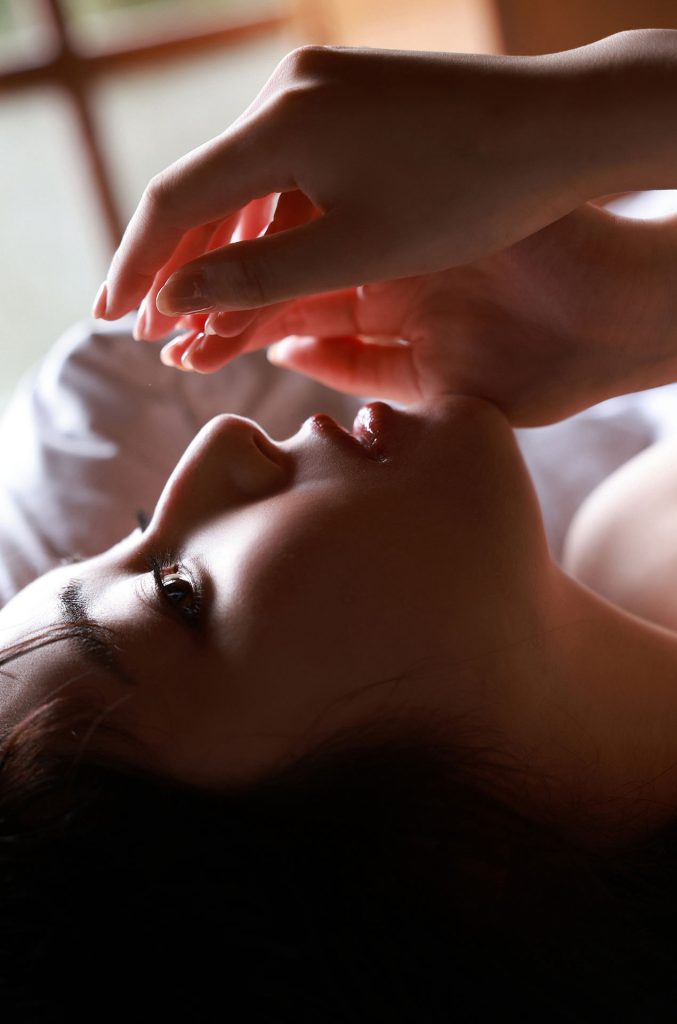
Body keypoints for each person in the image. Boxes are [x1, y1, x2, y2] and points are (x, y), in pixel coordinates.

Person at [4, 28, 677, 1021]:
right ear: (432, 868)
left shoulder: (625, 541)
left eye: (139, 526)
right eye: (178, 591)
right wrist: (583, 117)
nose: (217, 445)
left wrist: (636, 306)